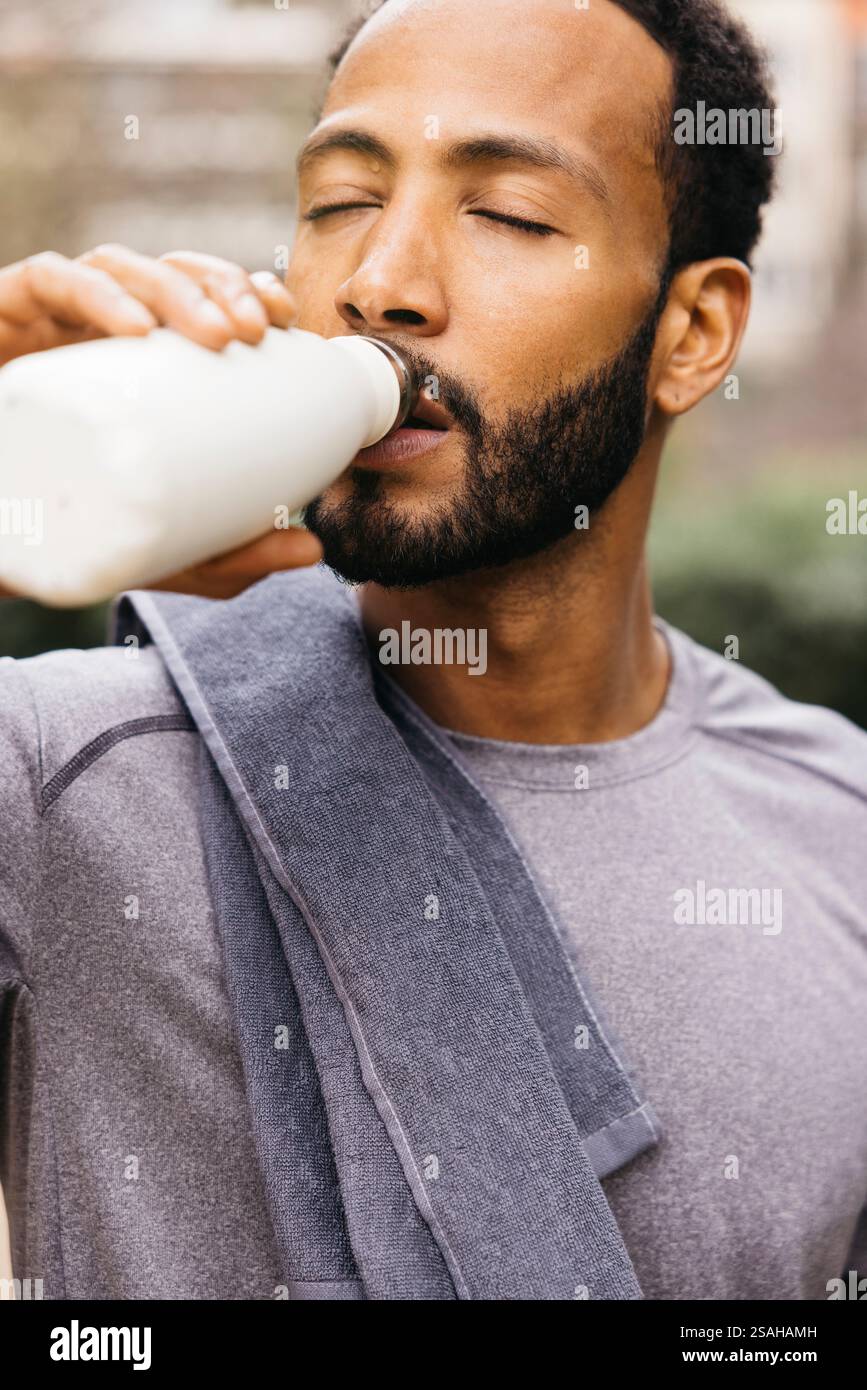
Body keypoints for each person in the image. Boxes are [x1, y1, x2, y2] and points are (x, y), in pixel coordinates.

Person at [1, 0, 865, 1301]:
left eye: (510, 214)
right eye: (341, 200)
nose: (378, 283)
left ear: (692, 335)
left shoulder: (838, 833)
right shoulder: (60, 778)